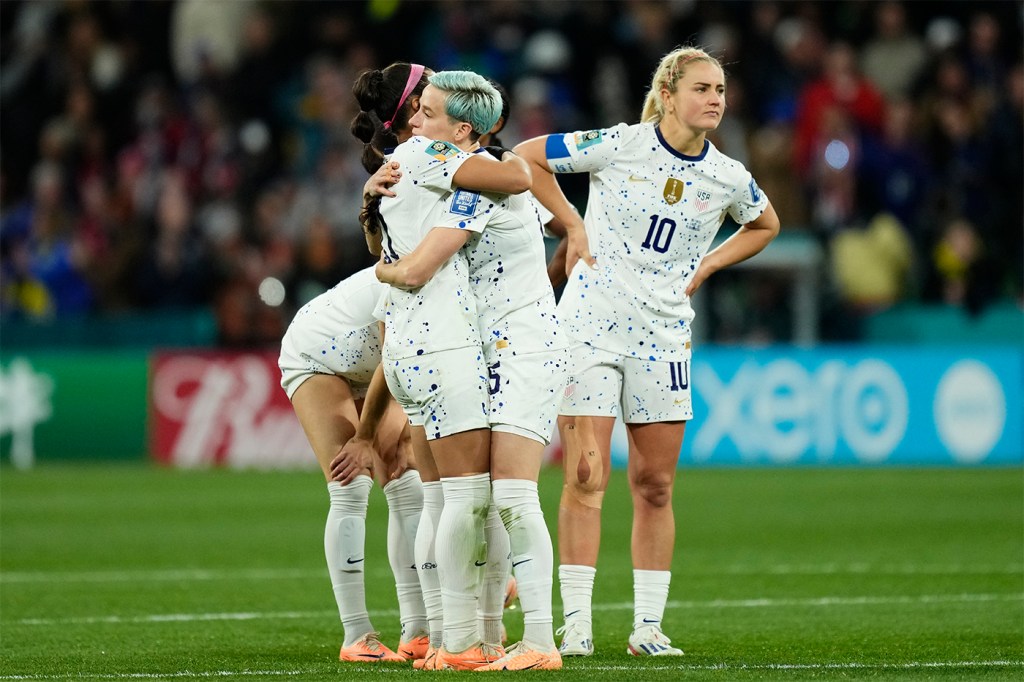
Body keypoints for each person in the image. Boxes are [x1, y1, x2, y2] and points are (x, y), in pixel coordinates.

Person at [514, 46, 781, 657]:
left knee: (655, 484)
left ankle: (648, 629)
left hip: (663, 339)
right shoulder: (621, 144)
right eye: (702, 88)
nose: (716, 98)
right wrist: (572, 225)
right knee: (586, 473)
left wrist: (712, 261)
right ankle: (576, 623)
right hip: (590, 327)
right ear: (667, 94)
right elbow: (529, 158)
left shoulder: (729, 176)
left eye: (720, 89)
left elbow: (765, 224)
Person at [371, 73, 567, 671]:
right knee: (480, 498)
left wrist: (385, 269)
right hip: (489, 349)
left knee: (506, 495)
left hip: (523, 348)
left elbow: (417, 267)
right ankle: (483, 638)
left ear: (462, 130)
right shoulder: (461, 176)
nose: (414, 123)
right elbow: (544, 216)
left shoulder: (474, 186)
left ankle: (536, 641)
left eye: (426, 113)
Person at [276, 61, 435, 665]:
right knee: (352, 481)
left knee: (407, 478)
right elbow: (399, 334)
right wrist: (364, 433)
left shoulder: (419, 177)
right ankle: (356, 634)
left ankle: (418, 629)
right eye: (429, 91)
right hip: (323, 348)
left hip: (379, 350)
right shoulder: (413, 180)